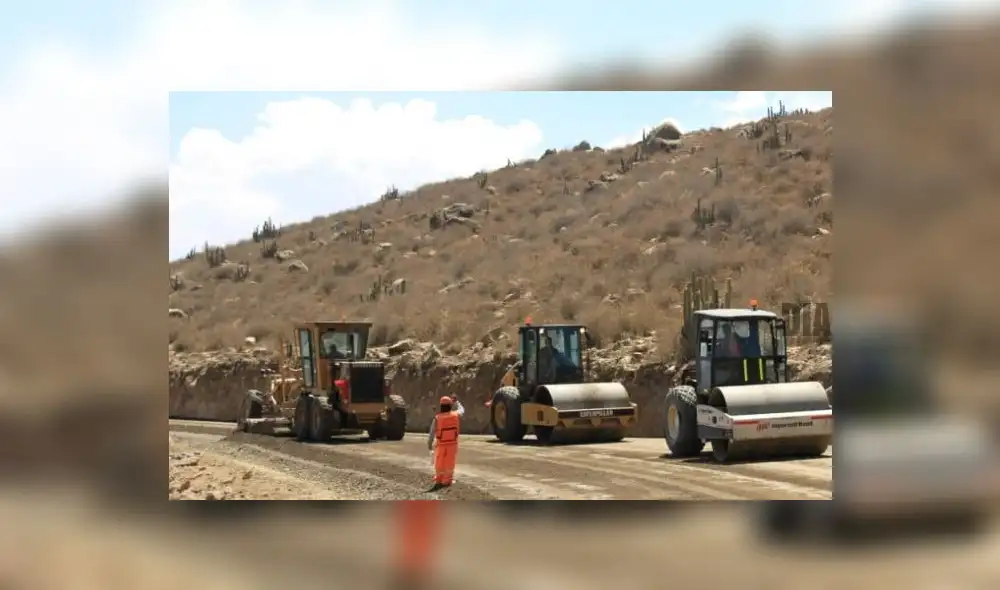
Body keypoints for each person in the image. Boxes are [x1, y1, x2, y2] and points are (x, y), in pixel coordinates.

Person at [427, 395, 464, 489]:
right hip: (452, 444)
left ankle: (439, 479)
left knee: (439, 462)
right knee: (449, 463)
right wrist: (457, 402)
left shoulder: (437, 418)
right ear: (450, 406)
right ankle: (447, 480)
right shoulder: (456, 414)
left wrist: (429, 445)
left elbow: (431, 434)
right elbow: (462, 410)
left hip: (440, 445)